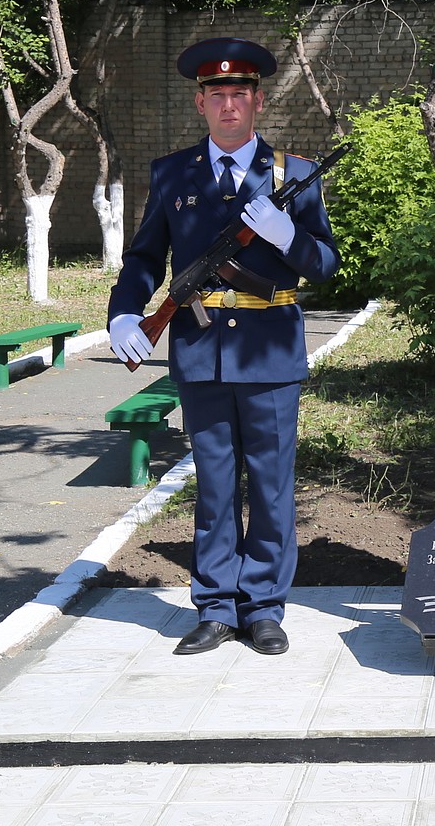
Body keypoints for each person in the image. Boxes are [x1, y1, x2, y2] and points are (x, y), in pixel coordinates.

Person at [108, 37, 341, 657]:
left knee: (269, 485)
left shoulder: (294, 174)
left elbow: (325, 265)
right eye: (218, 95)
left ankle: (263, 607)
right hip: (200, 353)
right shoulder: (172, 173)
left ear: (259, 102)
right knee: (213, 485)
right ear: (200, 103)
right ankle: (215, 606)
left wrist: (290, 235)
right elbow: (143, 257)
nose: (229, 105)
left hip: (268, 353)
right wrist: (126, 312)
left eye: (241, 94)